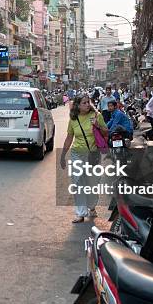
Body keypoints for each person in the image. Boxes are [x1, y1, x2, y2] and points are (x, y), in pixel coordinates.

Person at [60, 94, 108, 223]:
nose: (87, 104)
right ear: (78, 105)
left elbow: (106, 132)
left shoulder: (97, 115)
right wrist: (62, 155)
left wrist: (98, 125)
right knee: (78, 183)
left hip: (93, 154)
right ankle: (80, 213)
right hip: (77, 154)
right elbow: (69, 138)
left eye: (88, 102)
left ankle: (91, 207)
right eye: (84, 103)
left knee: (93, 183)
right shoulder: (73, 119)